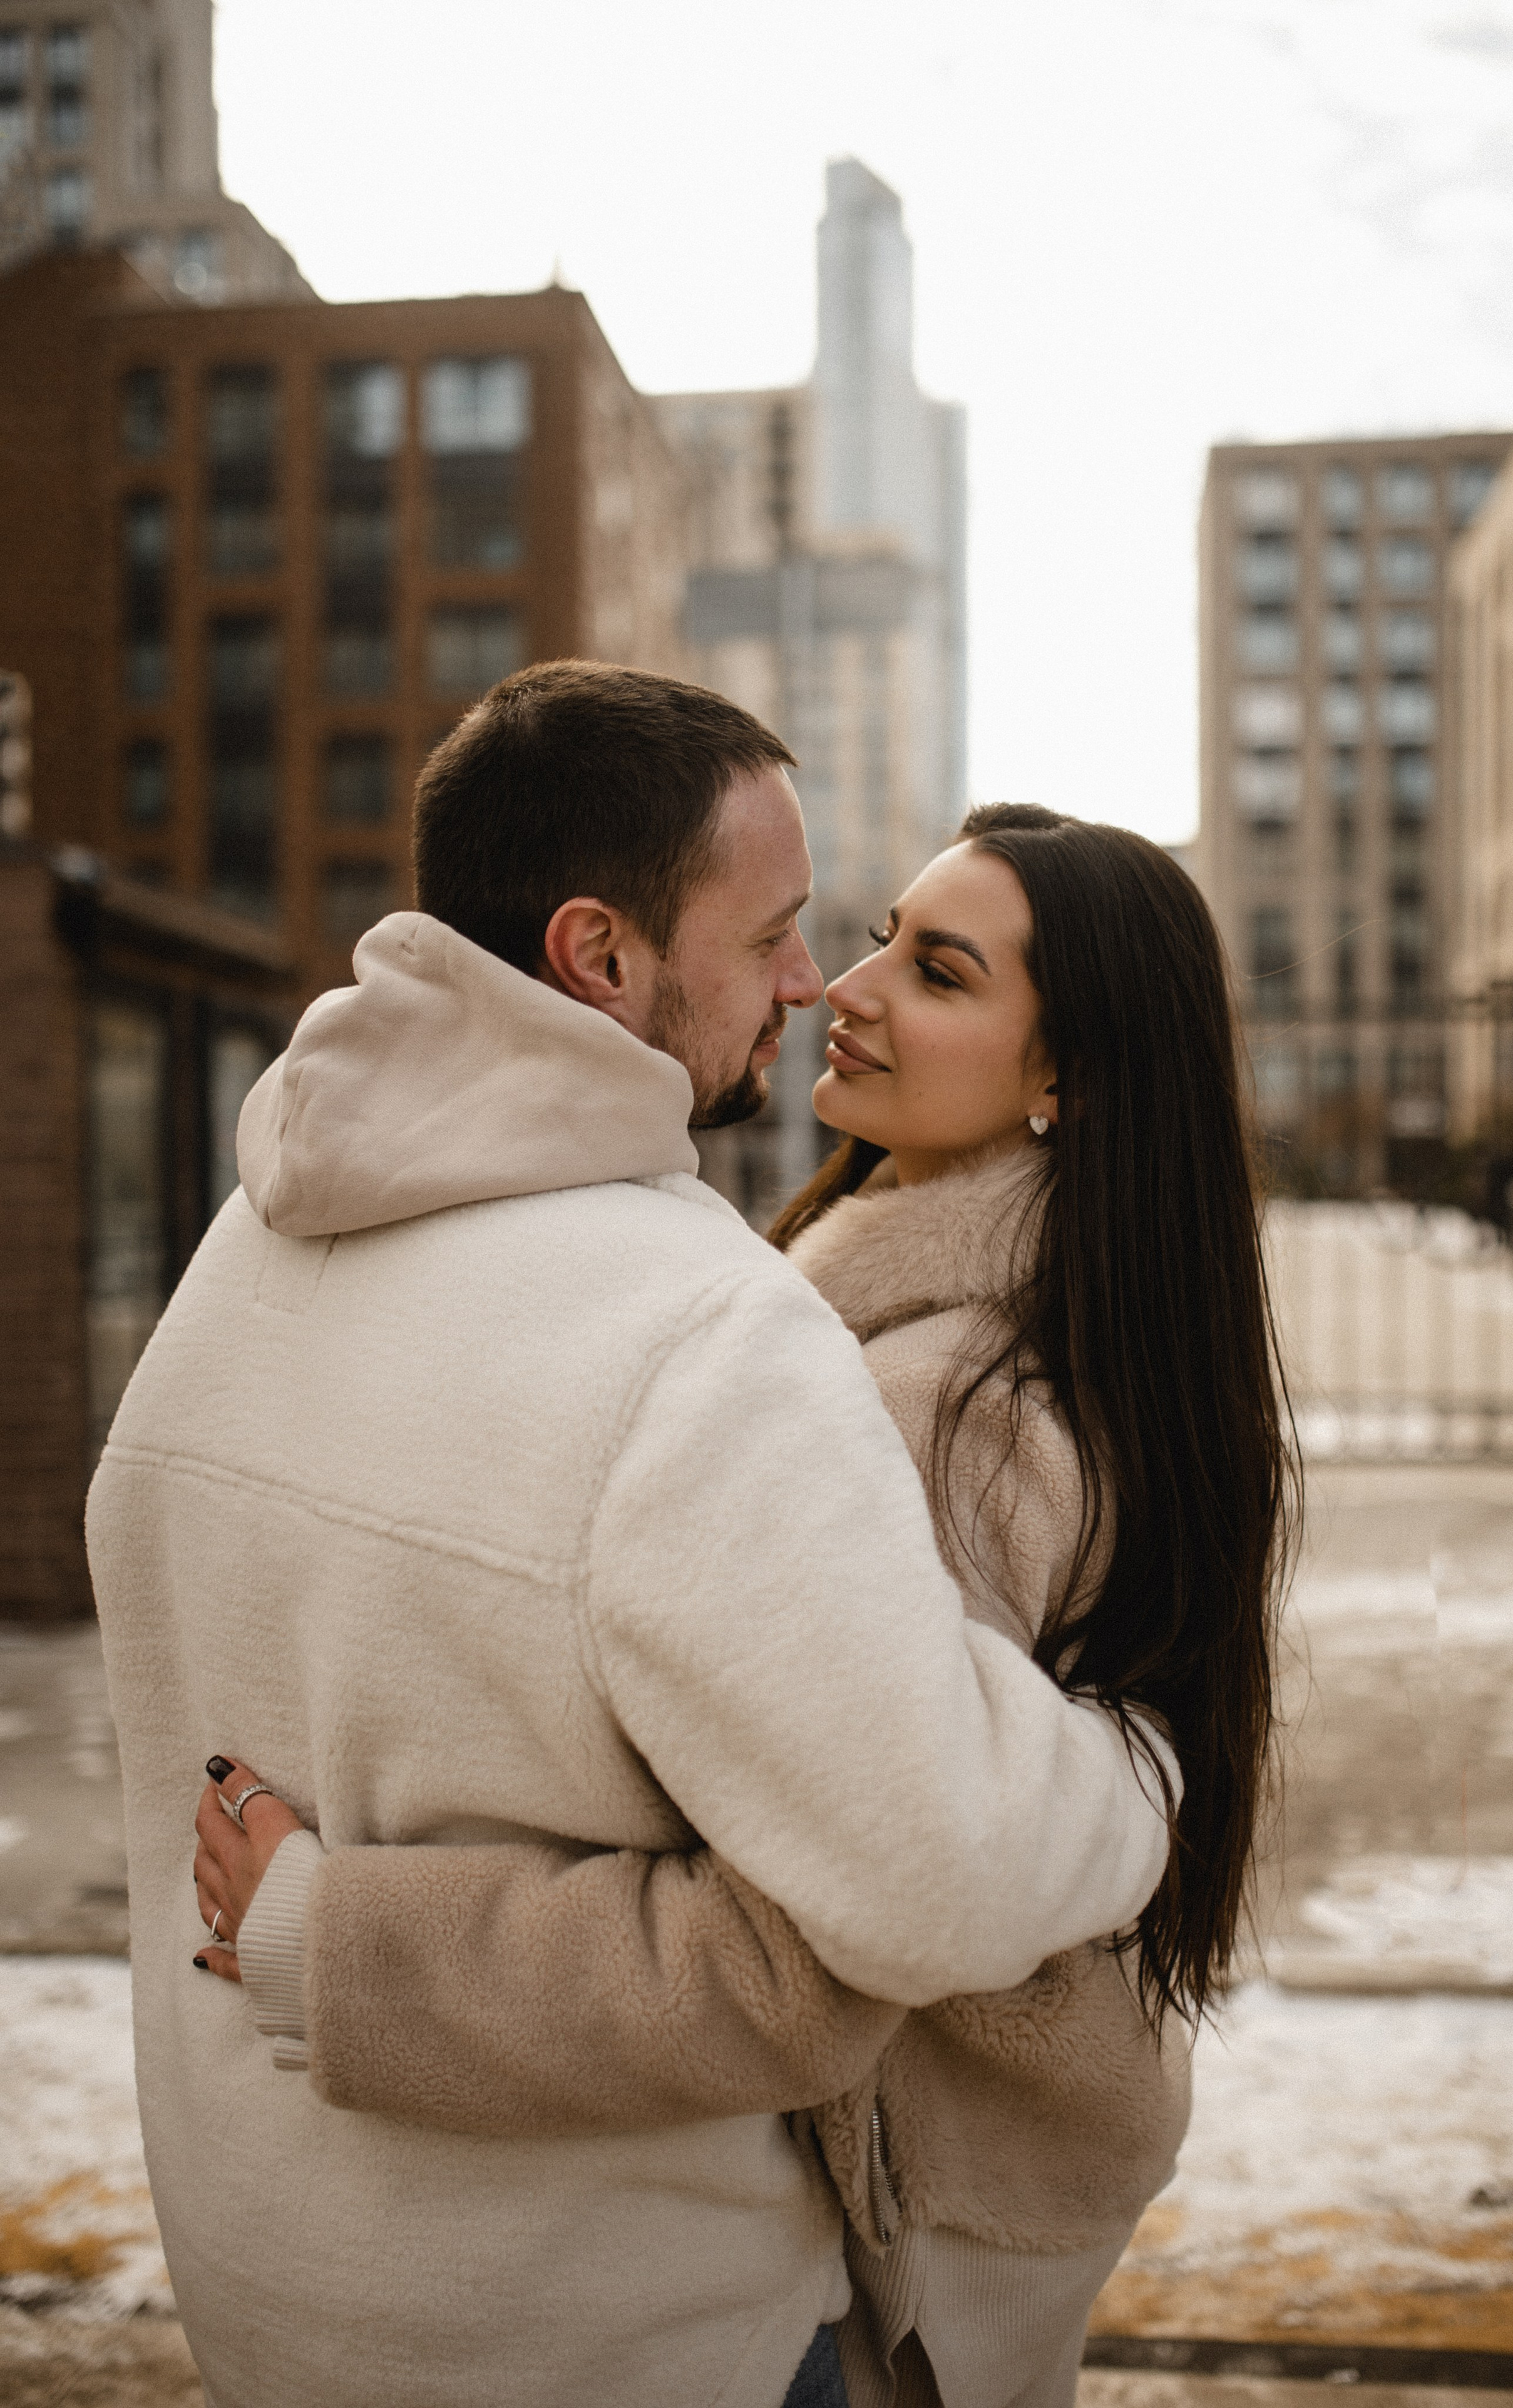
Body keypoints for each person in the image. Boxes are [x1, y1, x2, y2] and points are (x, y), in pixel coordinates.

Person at [88, 666, 1178, 2408]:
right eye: (777, 933)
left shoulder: (244, 1255)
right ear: (602, 956)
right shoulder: (702, 1338)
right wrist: (1135, 1772)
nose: (818, 982)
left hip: (270, 2293)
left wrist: (313, 1916)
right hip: (614, 2334)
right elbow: (918, 1889)